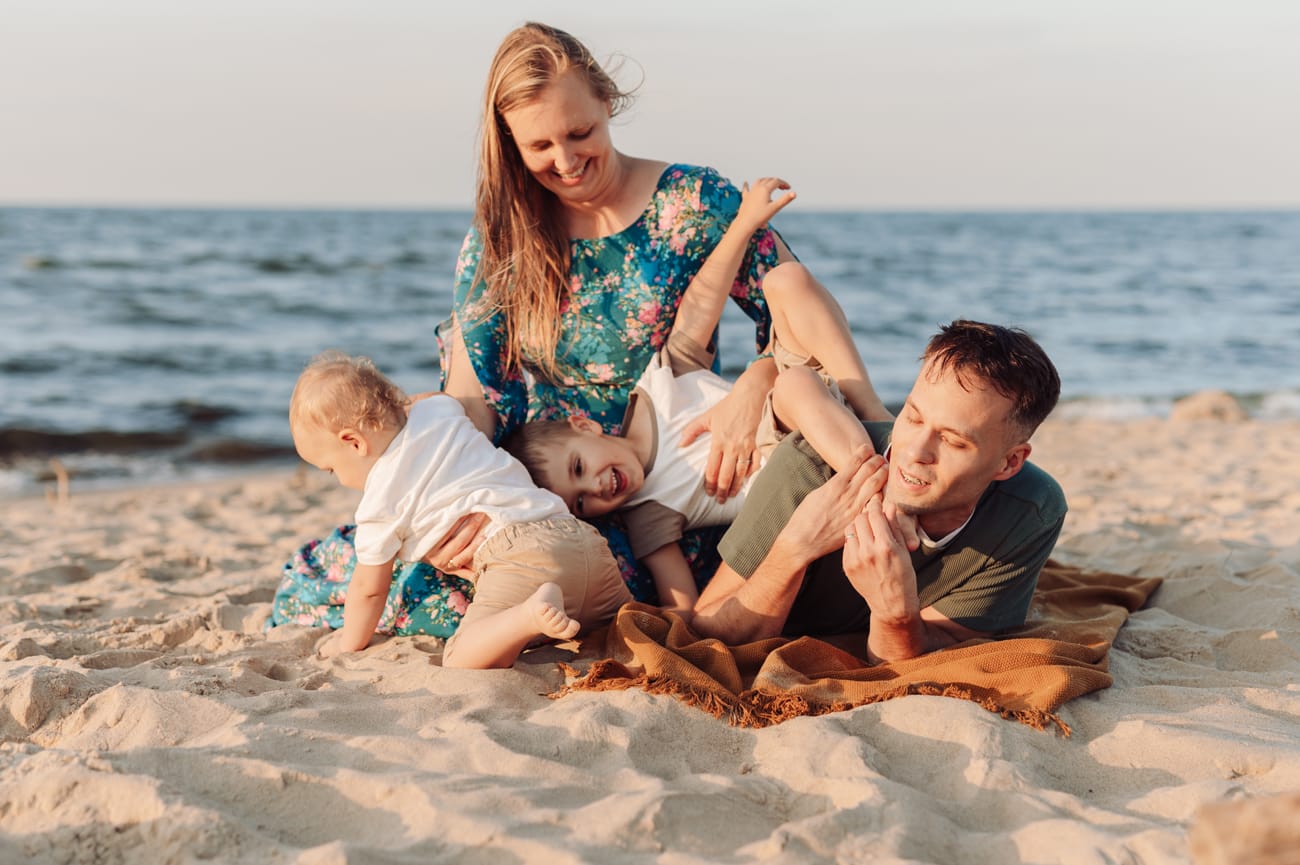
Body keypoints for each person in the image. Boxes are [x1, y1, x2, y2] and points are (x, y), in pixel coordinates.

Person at [436, 22, 807, 603]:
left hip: (673, 484)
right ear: (509, 143)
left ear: (606, 101)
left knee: (594, 585)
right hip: (551, 481)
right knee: (449, 587)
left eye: (579, 131)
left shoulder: (691, 203)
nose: (565, 161)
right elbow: (472, 397)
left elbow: (794, 303)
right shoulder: (502, 237)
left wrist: (759, 381)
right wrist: (473, 502)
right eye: (538, 147)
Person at [503, 177, 893, 617]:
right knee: (795, 385)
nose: (594, 487)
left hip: (801, 403)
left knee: (787, 280)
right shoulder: (647, 513)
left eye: (578, 466)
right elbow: (681, 602)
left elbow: (701, 304)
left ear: (585, 425)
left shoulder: (659, 385)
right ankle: (879, 485)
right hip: (792, 466)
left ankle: (872, 410)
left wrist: (744, 222)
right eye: (580, 503)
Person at [690, 320, 1067, 665]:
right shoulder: (811, 471)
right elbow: (710, 631)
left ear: (1009, 463)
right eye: (913, 416)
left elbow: (939, 646)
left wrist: (895, 615)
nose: (915, 452)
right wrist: (795, 550)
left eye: (952, 441)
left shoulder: (1030, 510)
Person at [288, 352, 632, 668]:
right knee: (626, 623)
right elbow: (436, 398)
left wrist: (349, 642)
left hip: (518, 557)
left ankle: (527, 616)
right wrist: (392, 407)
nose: (339, 479)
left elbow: (369, 589)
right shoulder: (438, 413)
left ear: (354, 442)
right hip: (579, 534)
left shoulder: (380, 501)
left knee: (460, 659)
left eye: (331, 469)